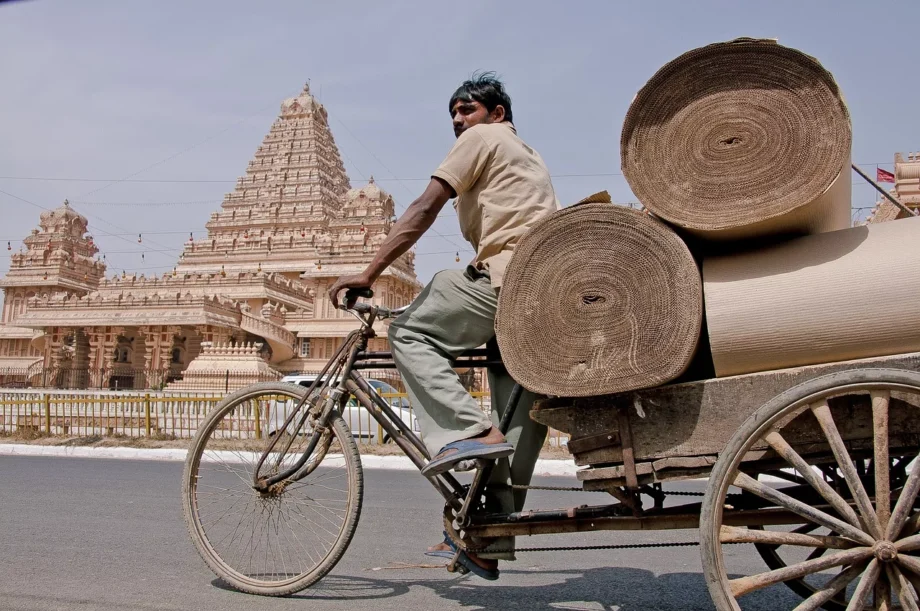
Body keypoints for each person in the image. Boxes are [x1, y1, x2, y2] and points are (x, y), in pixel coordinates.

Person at [329, 72, 558, 580]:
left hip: (503, 278)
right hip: (543, 291)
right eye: (454, 113)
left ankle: (464, 430)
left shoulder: (483, 139)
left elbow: (423, 207)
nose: (459, 120)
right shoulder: (528, 152)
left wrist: (368, 273)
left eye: (468, 109)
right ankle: (487, 536)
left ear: (497, 114)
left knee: (409, 331)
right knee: (518, 419)